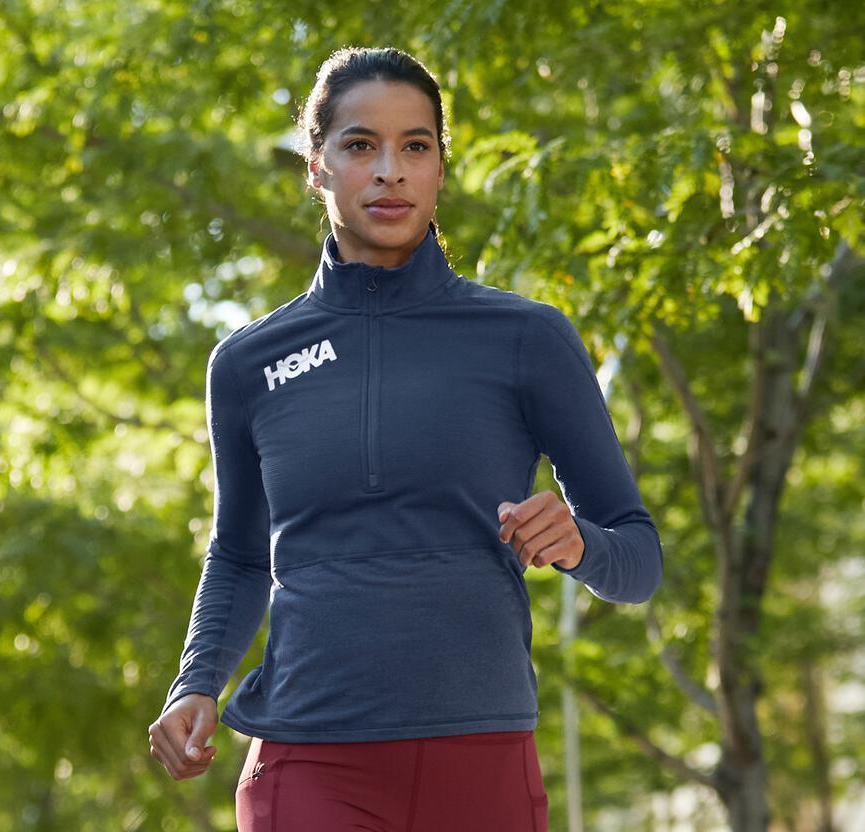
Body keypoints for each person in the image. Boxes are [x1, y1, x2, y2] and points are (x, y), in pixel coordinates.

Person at [148, 46, 663, 832]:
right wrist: (196, 680)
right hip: (308, 761)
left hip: (481, 758)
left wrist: (579, 543)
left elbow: (639, 560)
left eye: (414, 146)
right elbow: (242, 556)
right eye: (361, 145)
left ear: (440, 169)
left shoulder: (526, 338)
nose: (390, 171)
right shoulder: (248, 363)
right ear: (316, 166)